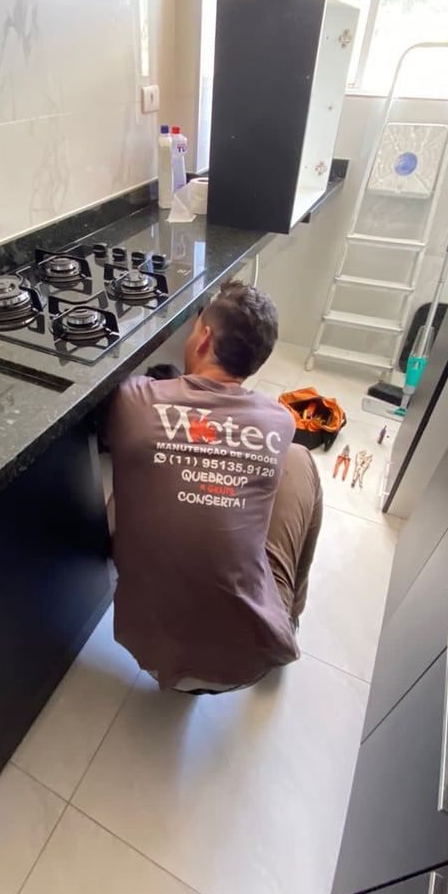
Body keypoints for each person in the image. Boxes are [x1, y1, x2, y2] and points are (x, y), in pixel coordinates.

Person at [104, 280, 323, 693]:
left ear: (204, 338)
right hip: (244, 661)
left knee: (140, 481)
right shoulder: (280, 421)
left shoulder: (133, 401)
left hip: (148, 651)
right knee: (299, 460)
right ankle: (287, 619)